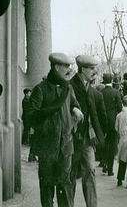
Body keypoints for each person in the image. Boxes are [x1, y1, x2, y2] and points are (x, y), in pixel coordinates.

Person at [27, 52, 83, 207]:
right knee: (47, 187)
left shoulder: (68, 88)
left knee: (65, 186)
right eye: (66, 66)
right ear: (57, 67)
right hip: (47, 148)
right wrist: (47, 124)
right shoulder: (40, 89)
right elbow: (30, 116)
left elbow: (74, 104)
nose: (69, 70)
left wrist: (76, 109)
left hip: (66, 146)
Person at [70, 55, 107, 207]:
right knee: (70, 175)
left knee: (90, 173)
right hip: (71, 139)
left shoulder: (94, 92)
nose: (95, 72)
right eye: (91, 69)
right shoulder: (69, 86)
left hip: (87, 140)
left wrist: (99, 135)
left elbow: (101, 117)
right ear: (82, 69)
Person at [100, 72, 122, 176]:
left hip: (102, 122)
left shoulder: (100, 92)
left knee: (104, 143)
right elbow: (120, 108)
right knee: (112, 145)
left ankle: (103, 163)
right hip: (113, 122)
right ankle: (110, 169)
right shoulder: (116, 92)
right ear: (112, 80)